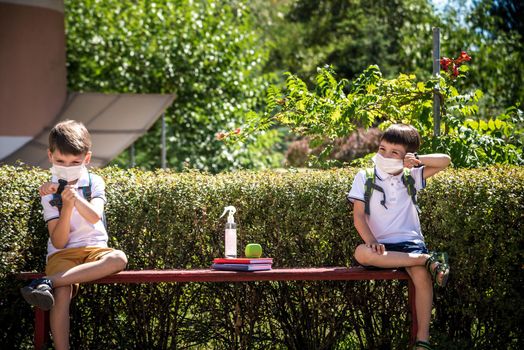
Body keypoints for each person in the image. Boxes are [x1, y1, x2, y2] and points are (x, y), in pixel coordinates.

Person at [20, 120, 128, 350]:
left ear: (86, 159)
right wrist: (65, 206)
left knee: (119, 258)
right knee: (61, 293)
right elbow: (59, 241)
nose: (67, 166)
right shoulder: (48, 193)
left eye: (75, 162)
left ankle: (46, 281)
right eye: (60, 161)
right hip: (63, 253)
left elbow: (94, 216)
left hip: (95, 250)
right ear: (50, 156)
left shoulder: (94, 182)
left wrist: (75, 198)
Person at [346, 124, 450, 350]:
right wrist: (371, 240)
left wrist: (417, 159)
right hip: (383, 248)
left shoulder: (411, 177)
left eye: (394, 152)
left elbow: (445, 160)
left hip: (411, 244)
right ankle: (428, 259)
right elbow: (359, 217)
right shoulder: (364, 176)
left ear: (406, 157)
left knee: (422, 278)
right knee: (361, 252)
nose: (385, 155)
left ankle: (423, 341)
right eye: (382, 149)